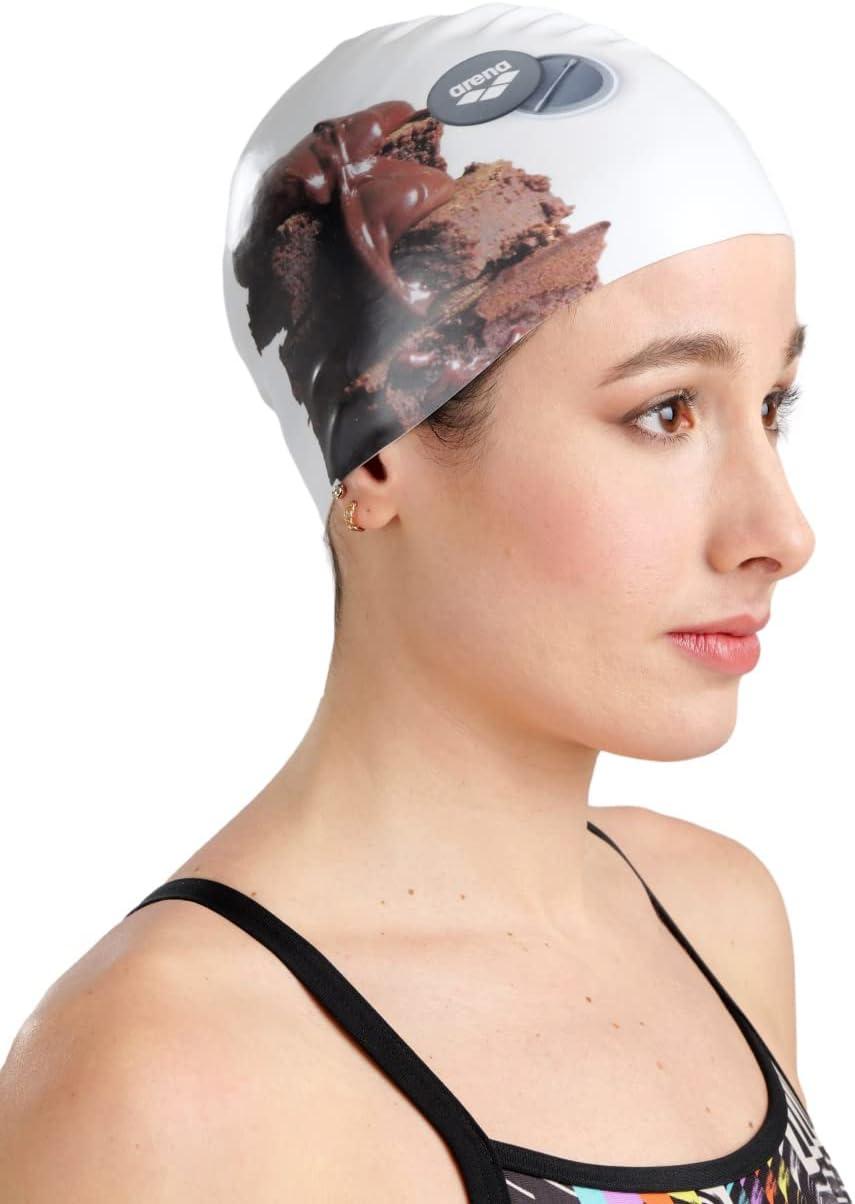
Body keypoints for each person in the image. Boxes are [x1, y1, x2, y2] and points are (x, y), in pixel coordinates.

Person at [0, 5, 849, 1202]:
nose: (784, 533)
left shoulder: (717, 915)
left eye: (772, 407)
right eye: (665, 412)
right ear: (378, 455)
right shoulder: (169, 1076)